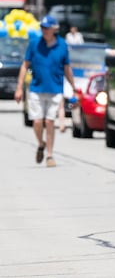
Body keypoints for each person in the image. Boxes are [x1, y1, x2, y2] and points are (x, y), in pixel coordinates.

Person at [14, 15, 76, 168]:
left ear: (54, 29)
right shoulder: (35, 44)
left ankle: (49, 154)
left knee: (49, 121)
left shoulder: (62, 45)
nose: (44, 30)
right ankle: (41, 143)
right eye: (42, 27)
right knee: (37, 121)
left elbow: (67, 68)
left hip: (55, 89)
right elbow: (24, 65)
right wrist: (19, 87)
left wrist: (74, 88)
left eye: (47, 28)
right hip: (36, 87)